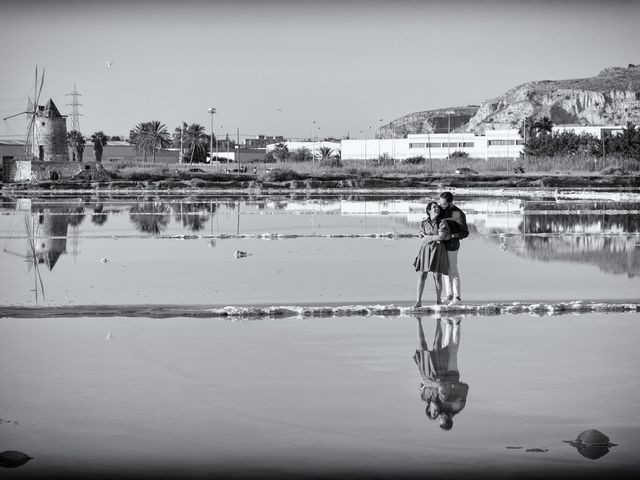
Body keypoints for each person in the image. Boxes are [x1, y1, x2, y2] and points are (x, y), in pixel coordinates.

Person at [413, 316, 469, 431]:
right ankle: (456, 323)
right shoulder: (455, 408)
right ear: (449, 418)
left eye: (438, 418)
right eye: (441, 417)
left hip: (443, 375)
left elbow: (433, 391)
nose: (439, 415)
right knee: (453, 351)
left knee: (445, 350)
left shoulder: (442, 408)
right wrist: (431, 385)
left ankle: (448, 324)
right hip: (452, 376)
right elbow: (458, 390)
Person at [413, 201, 451, 307]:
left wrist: (428, 238)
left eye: (438, 207)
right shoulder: (423, 222)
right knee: (422, 275)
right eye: (434, 207)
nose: (437, 209)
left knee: (437, 276)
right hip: (425, 250)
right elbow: (420, 234)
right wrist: (421, 235)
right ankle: (418, 301)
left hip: (437, 249)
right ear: (429, 210)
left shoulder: (442, 222)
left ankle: (438, 300)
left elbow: (441, 237)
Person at [438, 192, 469, 306]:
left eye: (444, 204)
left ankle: (457, 297)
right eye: (440, 203)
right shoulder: (440, 210)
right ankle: (449, 295)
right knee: (445, 270)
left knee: (453, 270)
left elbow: (465, 233)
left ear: (450, 202)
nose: (441, 206)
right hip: (441, 244)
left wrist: (452, 236)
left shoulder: (458, 213)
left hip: (452, 244)